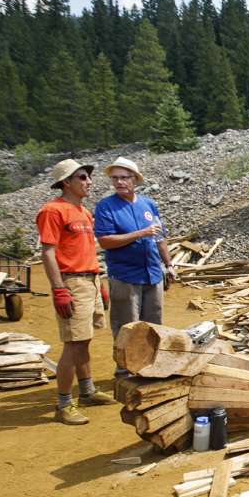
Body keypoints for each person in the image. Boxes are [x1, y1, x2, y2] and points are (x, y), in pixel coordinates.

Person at [36, 159, 115, 425]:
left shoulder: (84, 212)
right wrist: (59, 289)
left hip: (89, 280)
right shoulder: (53, 211)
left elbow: (87, 251)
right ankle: (63, 403)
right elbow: (48, 252)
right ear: (66, 182)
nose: (88, 181)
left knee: (85, 339)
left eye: (88, 177)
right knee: (72, 344)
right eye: (82, 177)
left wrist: (98, 282)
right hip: (71, 282)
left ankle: (87, 391)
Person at [93, 157, 175, 377]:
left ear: (135, 180)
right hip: (125, 276)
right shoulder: (106, 207)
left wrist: (168, 264)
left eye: (124, 177)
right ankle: (125, 369)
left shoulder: (148, 204)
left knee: (154, 323)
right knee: (127, 325)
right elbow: (105, 241)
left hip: (153, 274)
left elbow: (160, 237)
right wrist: (140, 233)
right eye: (115, 178)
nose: (119, 182)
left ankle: (150, 366)